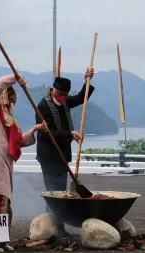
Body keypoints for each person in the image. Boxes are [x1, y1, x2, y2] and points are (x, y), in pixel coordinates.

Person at [0, 74, 47, 253]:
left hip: (2, 161)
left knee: (1, 198)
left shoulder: (9, 120)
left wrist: (35, 129)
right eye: (11, 99)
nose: (12, 103)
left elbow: (18, 140)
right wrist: (15, 77)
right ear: (4, 96)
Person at [35, 68, 95, 233]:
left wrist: (87, 81)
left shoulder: (65, 102)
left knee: (60, 191)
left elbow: (81, 98)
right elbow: (48, 133)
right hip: (49, 156)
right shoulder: (43, 107)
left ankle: (56, 226)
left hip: (62, 155)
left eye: (64, 95)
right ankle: (54, 227)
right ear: (52, 90)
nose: (61, 98)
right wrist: (70, 134)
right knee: (53, 192)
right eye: (59, 94)